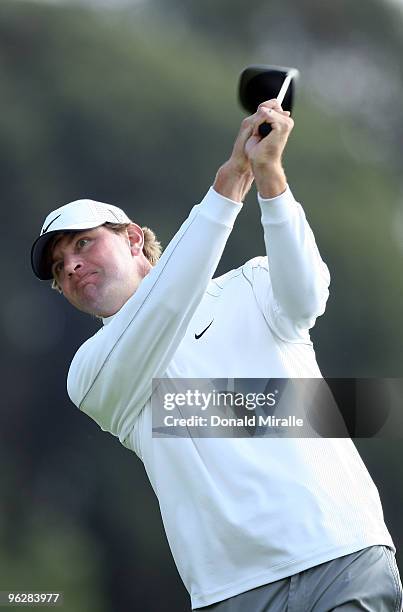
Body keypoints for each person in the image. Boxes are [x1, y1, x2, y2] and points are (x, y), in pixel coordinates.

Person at [31, 100, 402, 611]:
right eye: (58, 265)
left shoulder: (248, 283)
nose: (70, 265)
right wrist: (229, 182)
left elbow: (309, 293)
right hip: (234, 591)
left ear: (134, 239)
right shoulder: (90, 373)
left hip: (342, 553)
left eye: (83, 245)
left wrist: (268, 175)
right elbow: (167, 305)